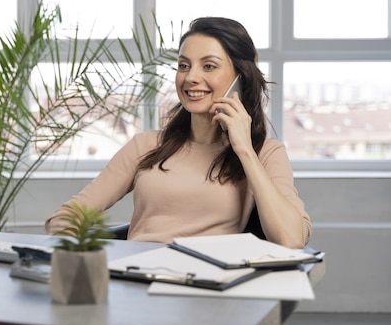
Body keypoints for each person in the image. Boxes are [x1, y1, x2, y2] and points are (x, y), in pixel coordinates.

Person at [45, 17, 311, 248]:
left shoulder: (266, 154)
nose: (190, 77)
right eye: (184, 65)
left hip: (206, 290)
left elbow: (291, 239)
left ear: (240, 78)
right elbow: (65, 218)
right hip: (138, 283)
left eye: (208, 66)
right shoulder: (146, 145)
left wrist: (243, 149)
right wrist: (79, 258)